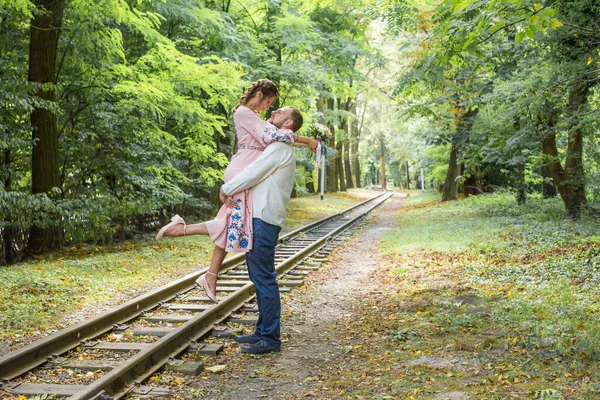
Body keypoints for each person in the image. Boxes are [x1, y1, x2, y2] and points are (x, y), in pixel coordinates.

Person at [155, 79, 317, 304]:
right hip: (243, 171)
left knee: (230, 223)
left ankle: (209, 272)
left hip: (245, 171)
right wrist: (307, 139)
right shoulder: (244, 113)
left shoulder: (253, 117)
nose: (268, 107)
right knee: (231, 223)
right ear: (259, 95)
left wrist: (303, 142)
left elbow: (276, 135)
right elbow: (272, 136)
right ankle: (186, 239)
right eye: (268, 101)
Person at [220, 111, 300, 355]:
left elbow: (253, 172)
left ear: (288, 123)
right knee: (259, 276)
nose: (273, 112)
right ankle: (262, 331)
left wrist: (226, 188)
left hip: (264, 219)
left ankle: (270, 338)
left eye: (280, 112)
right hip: (263, 218)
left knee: (264, 278)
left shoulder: (279, 149)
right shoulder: (278, 146)